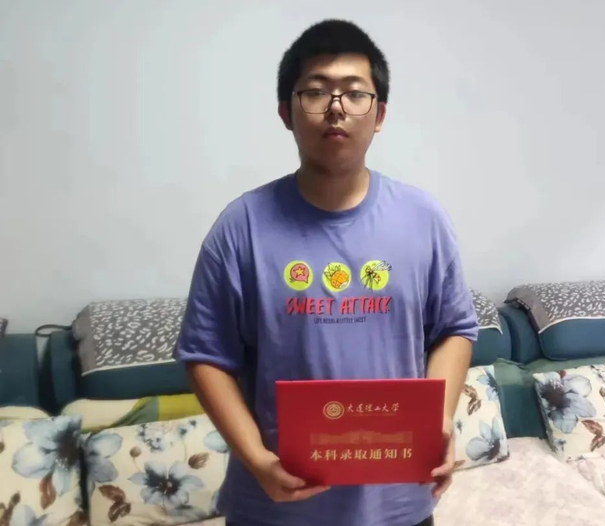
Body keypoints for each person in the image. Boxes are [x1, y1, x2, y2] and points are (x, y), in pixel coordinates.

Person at [174, 18, 479, 526]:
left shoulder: (423, 219)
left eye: (355, 93)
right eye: (315, 92)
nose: (336, 107)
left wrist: (438, 422)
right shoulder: (241, 227)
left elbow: (455, 329)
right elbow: (205, 355)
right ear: (285, 112)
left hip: (399, 502)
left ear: (379, 114)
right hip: (275, 507)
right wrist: (257, 459)